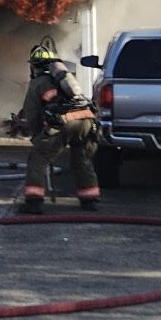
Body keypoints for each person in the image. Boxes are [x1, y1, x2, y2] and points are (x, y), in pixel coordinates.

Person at [18, 43, 101, 215]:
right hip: (87, 121)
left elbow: (32, 114)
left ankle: (34, 202)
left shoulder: (37, 83)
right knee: (82, 160)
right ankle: (90, 200)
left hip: (63, 122)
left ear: (34, 66)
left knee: (38, 158)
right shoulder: (66, 79)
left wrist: (37, 136)